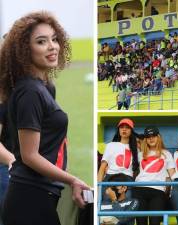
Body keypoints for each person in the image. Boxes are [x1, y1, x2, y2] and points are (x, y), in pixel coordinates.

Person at [0, 12, 90, 225]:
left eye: (54, 39)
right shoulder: (29, 91)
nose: (52, 46)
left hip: (41, 193)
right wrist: (71, 179)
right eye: (41, 42)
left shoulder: (41, 87)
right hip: (30, 196)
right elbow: (30, 155)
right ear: (24, 50)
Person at [133, 126, 175, 225]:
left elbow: (173, 175)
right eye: (148, 137)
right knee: (141, 222)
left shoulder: (166, 154)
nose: (151, 139)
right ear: (146, 140)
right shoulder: (140, 154)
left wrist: (171, 191)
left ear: (158, 137)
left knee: (155, 222)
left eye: (153, 136)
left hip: (158, 190)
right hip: (139, 189)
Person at [97, 118, 140, 201]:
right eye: (121, 127)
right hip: (111, 178)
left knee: (125, 208)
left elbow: (136, 170)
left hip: (127, 180)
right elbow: (102, 168)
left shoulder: (136, 149)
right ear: (118, 130)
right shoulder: (110, 145)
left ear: (131, 131)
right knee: (107, 207)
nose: (124, 129)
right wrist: (99, 186)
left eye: (127, 127)